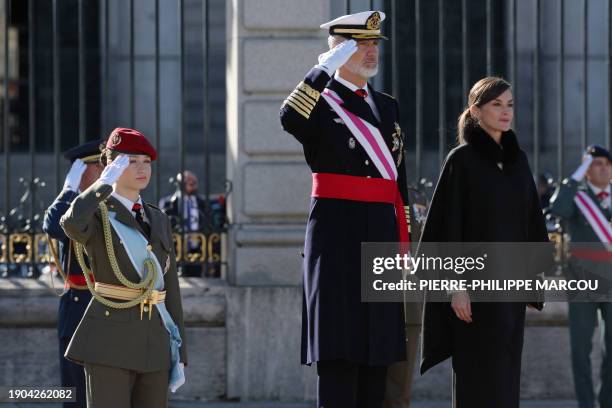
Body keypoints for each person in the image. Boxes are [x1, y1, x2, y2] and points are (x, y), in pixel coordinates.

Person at [280, 10, 410, 407]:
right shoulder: (321, 103)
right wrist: (322, 72)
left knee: (378, 356)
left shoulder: (387, 107)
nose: (371, 52)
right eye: (360, 45)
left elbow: (397, 180)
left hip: (381, 238)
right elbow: (288, 117)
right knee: (339, 355)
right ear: (338, 51)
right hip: (337, 239)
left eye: (374, 44)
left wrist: (402, 237)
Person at [419, 77, 549, 408]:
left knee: (506, 381)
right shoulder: (461, 160)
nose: (506, 112)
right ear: (476, 111)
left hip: (510, 293)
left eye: (510, 105)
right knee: (477, 382)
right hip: (473, 295)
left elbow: (531, 219)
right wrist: (455, 288)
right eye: (496, 105)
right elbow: (448, 229)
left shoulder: (518, 160)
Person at [60, 128, 187, 408]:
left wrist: (180, 349)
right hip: (109, 342)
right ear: (112, 167)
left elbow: (169, 286)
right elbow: (69, 224)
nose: (142, 169)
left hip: (155, 340)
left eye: (146, 162)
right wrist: (101, 186)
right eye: (131, 162)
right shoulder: (97, 213)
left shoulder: (158, 217)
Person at [548, 145, 612, 408]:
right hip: (583, 282)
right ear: (586, 171)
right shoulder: (577, 197)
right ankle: (586, 404)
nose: (603, 168)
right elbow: (558, 210)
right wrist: (576, 177)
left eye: (607, 163)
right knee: (580, 350)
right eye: (595, 164)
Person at [43, 139, 104, 408]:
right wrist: (69, 188)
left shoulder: (104, 204)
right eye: (97, 167)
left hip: (105, 304)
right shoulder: (74, 205)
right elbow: (53, 225)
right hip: (77, 304)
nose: (104, 171)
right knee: (74, 389)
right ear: (81, 173)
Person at [159, 170, 225, 277]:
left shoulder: (203, 203)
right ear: (179, 183)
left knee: (196, 274)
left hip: (198, 248)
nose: (192, 182)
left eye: (194, 180)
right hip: (176, 248)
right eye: (188, 180)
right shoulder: (168, 202)